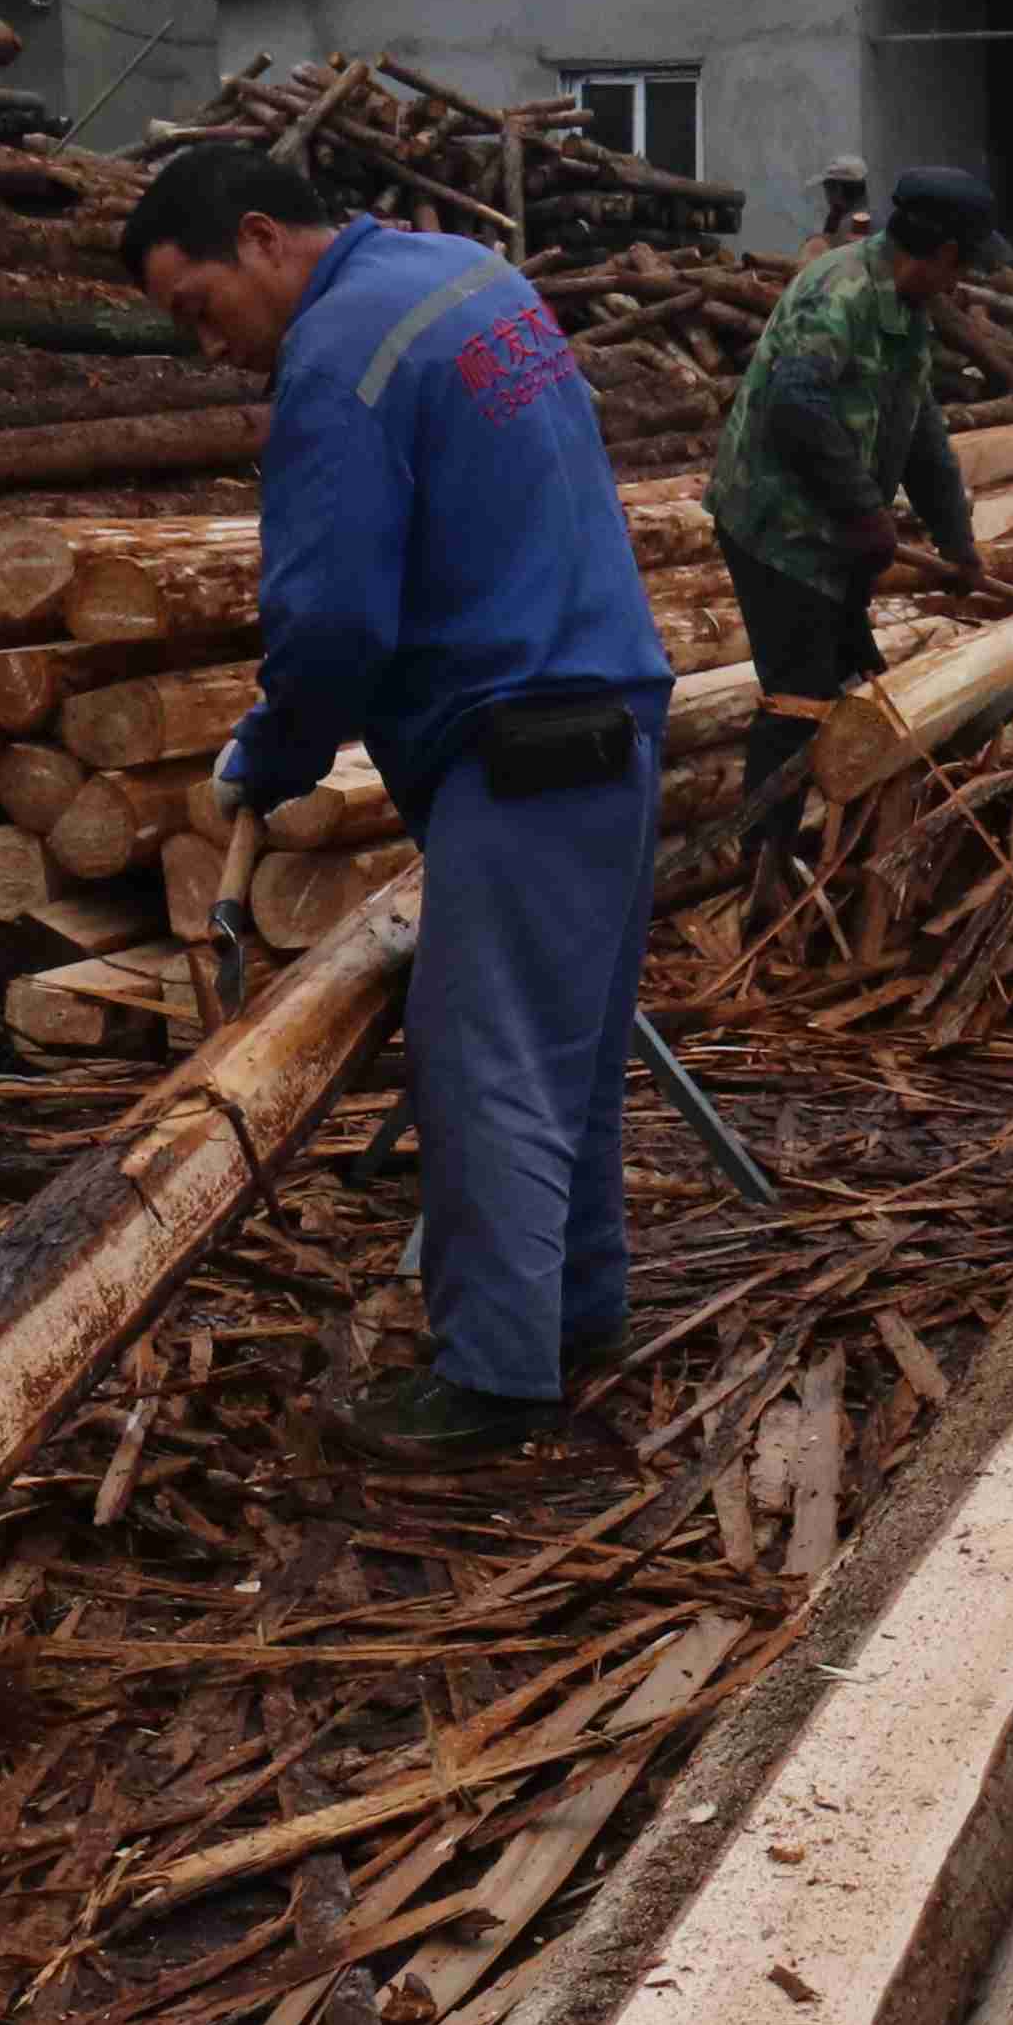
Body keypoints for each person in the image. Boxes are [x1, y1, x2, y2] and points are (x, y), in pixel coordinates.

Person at [123, 139, 680, 1458]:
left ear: (260, 238)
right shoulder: (466, 278)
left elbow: (329, 621)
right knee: (568, 1043)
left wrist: (273, 754)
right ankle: (575, 1307)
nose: (209, 349)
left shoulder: (339, 357)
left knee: (478, 1057)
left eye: (200, 309)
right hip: (612, 703)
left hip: (522, 733)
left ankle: (492, 1379)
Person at [714, 164, 1013, 869]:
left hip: (834, 530)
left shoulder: (907, 313)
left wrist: (957, 542)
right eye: (965, 265)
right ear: (944, 254)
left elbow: (921, 435)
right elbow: (797, 407)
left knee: (850, 681)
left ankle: (831, 845)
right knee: (800, 700)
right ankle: (761, 873)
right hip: (777, 528)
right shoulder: (840, 295)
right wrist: (864, 513)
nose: (963, 281)